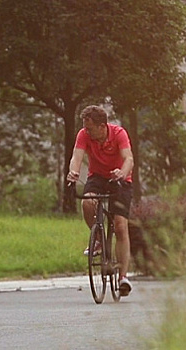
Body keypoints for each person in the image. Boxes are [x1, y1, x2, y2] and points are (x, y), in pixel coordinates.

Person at [66, 105, 134, 296]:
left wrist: (122, 172)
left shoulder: (119, 134)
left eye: (90, 128)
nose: (86, 132)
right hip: (97, 177)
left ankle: (123, 277)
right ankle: (97, 240)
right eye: (85, 128)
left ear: (103, 126)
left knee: (120, 225)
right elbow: (76, 157)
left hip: (119, 178)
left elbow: (129, 158)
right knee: (87, 202)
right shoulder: (83, 135)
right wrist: (74, 172)